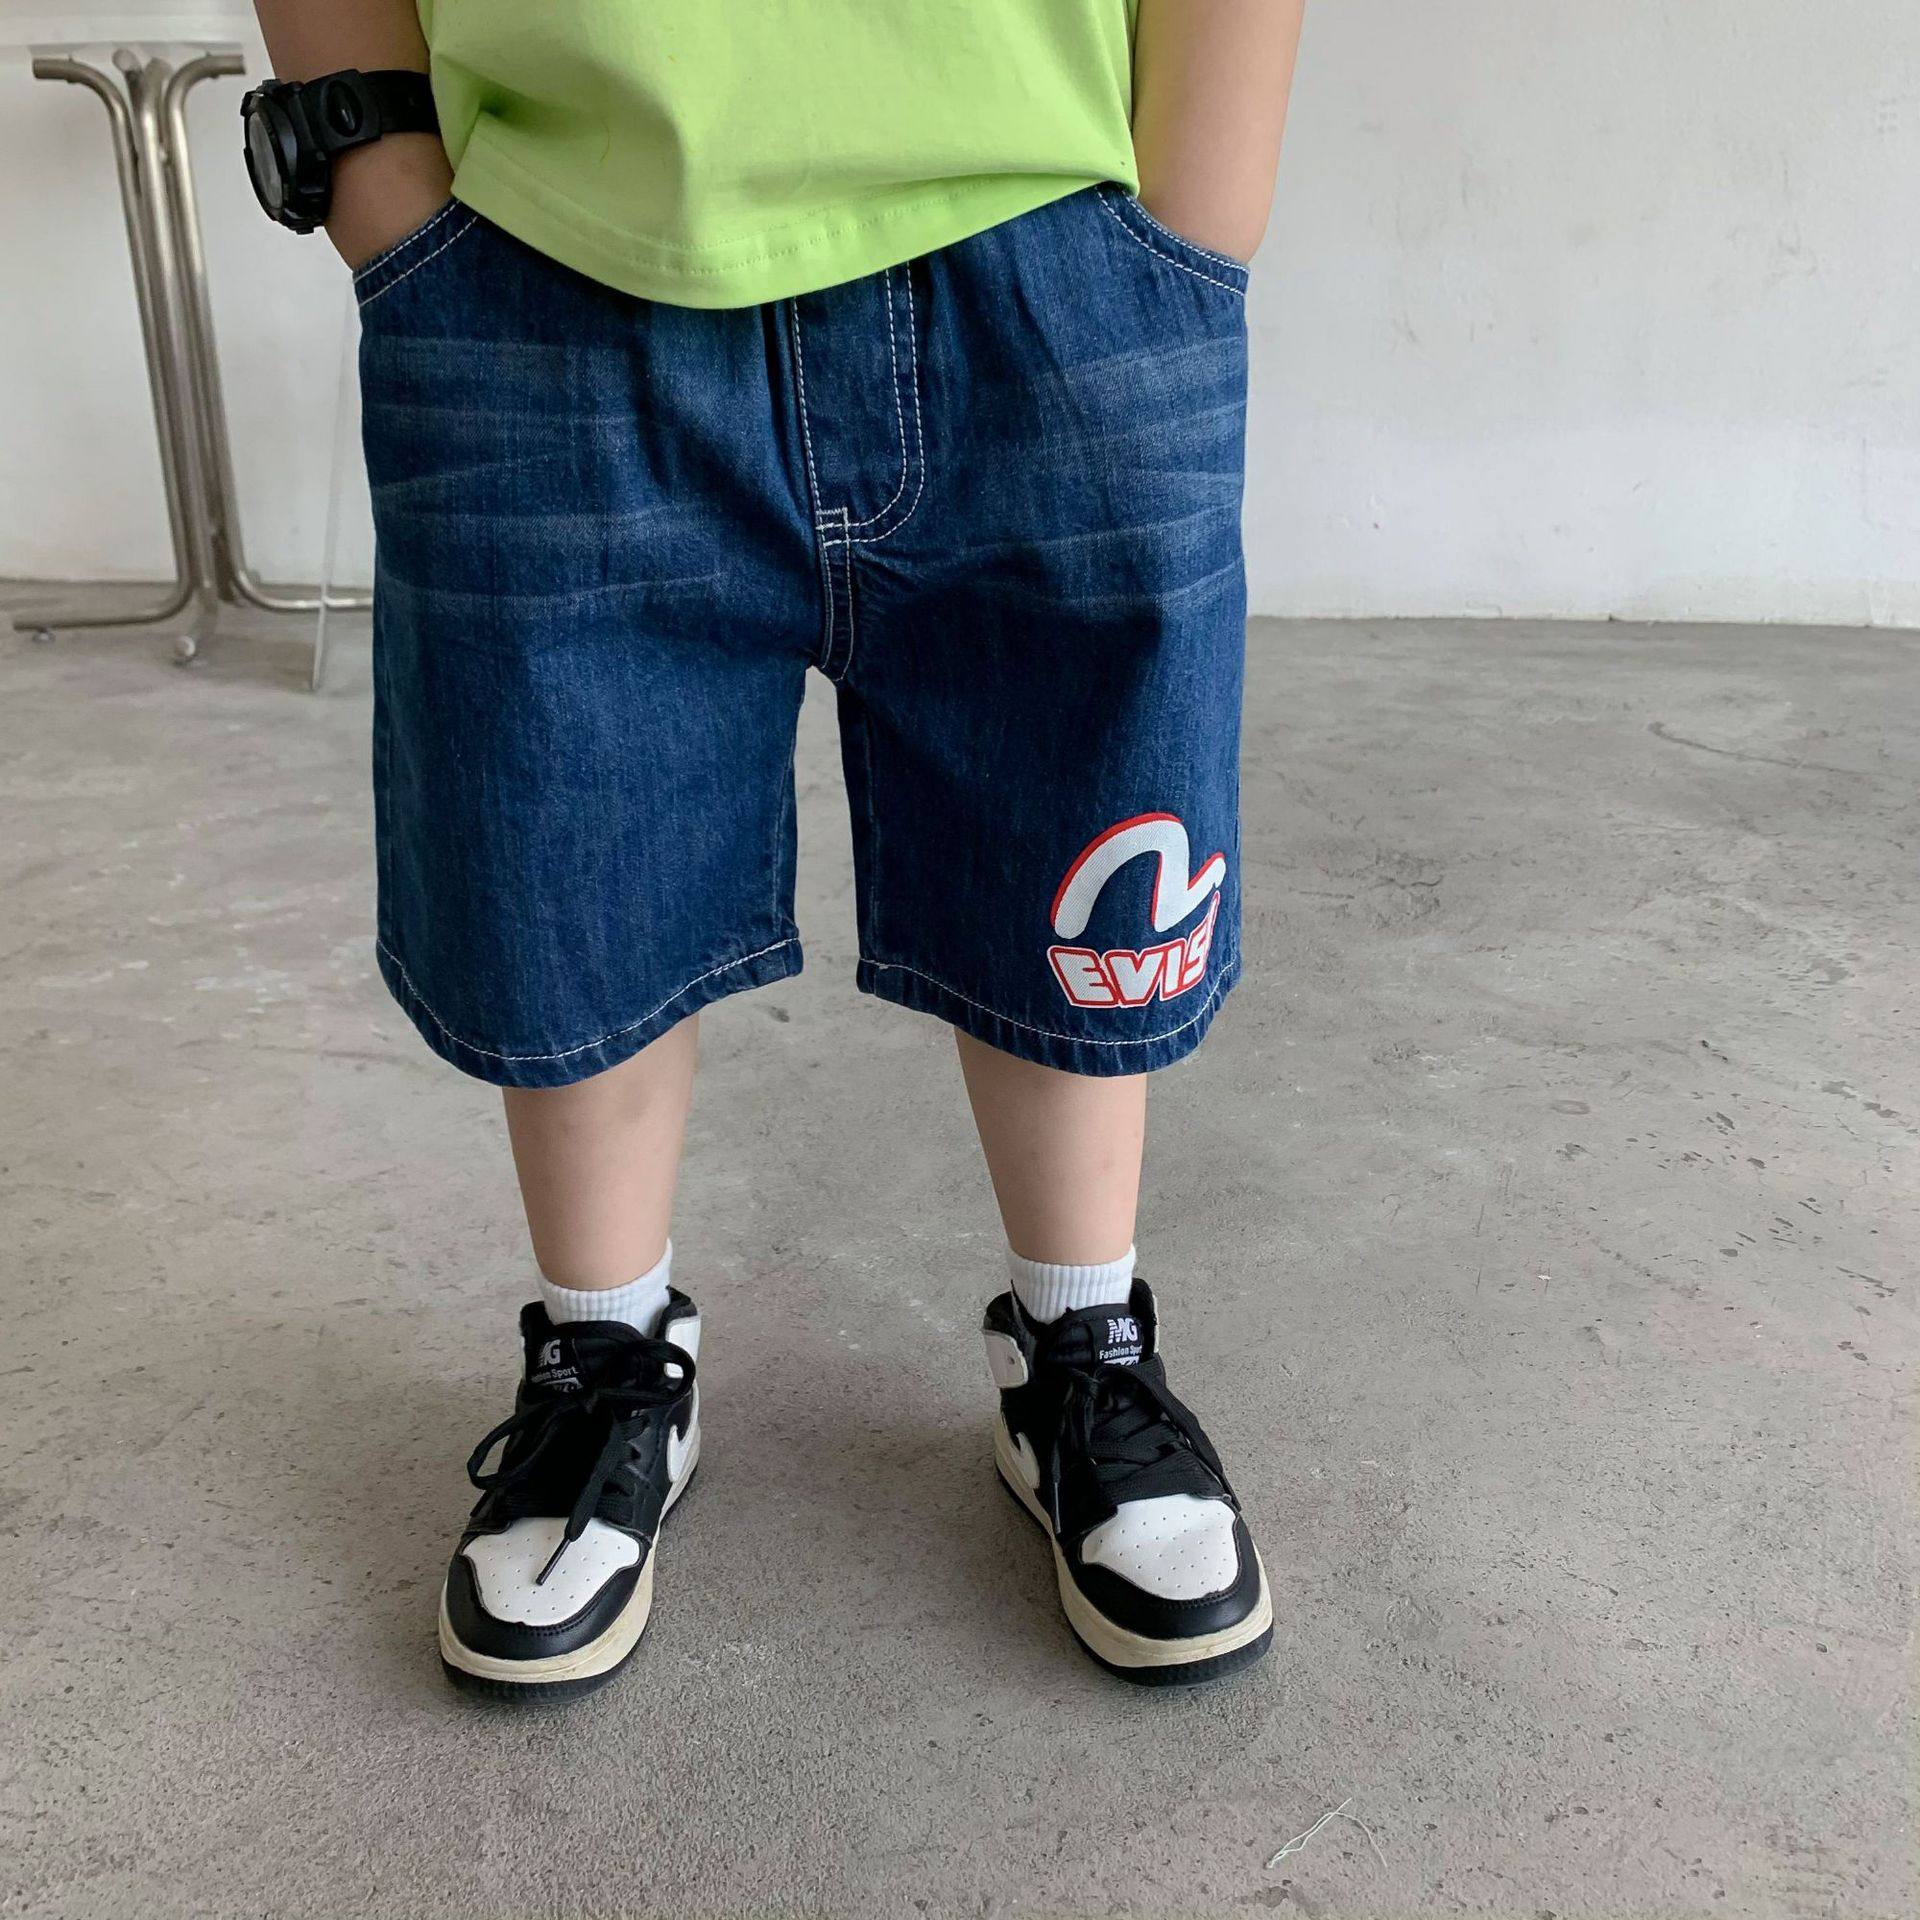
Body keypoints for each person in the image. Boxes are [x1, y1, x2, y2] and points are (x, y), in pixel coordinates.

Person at [245, 0, 1304, 1696]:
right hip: (551, 242)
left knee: (1087, 841)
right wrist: (376, 176)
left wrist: (1196, 219)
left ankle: (1081, 1339)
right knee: (568, 860)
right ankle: (604, 1356)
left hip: (1048, 233)